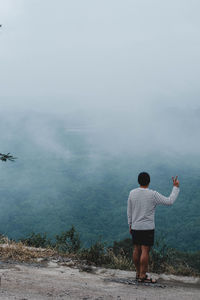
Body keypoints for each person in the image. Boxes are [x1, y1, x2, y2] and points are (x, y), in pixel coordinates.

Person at [127, 172, 180, 283]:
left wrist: (130, 224)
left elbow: (129, 210)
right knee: (145, 251)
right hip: (147, 227)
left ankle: (137, 273)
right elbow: (169, 201)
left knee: (136, 249)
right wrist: (175, 187)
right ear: (149, 182)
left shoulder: (132, 193)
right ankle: (143, 276)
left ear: (138, 181)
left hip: (135, 226)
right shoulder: (153, 194)